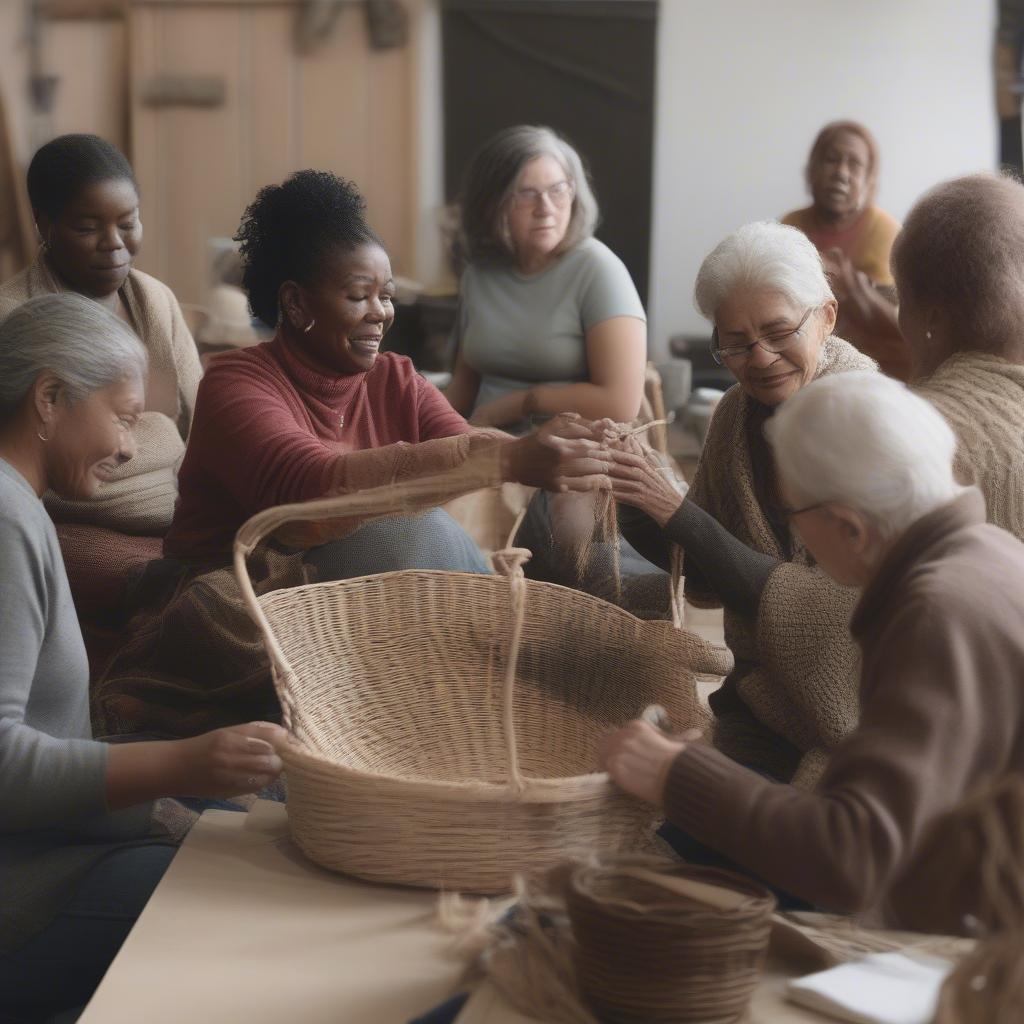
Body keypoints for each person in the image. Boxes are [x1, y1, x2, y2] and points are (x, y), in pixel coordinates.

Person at [94, 170, 610, 739]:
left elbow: (464, 447)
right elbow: (308, 491)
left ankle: (500, 685)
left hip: (336, 615)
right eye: (358, 295)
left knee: (489, 542)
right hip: (233, 610)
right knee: (411, 536)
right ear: (295, 301)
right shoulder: (237, 383)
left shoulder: (396, 377)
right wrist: (508, 459)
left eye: (386, 296)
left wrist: (558, 454)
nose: (380, 313)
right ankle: (504, 690)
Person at [602, 371, 1024, 924]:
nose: (795, 535)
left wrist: (677, 776)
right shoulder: (991, 552)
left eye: (793, 514)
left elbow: (854, 861)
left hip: (973, 935)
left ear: (850, 528)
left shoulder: (933, 613)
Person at [0, 293, 285, 1019]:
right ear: (50, 397)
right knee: (238, 879)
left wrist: (175, 795)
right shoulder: (5, 523)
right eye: (123, 417)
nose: (130, 447)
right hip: (19, 888)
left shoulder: (21, 509)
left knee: (241, 818)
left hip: (40, 838)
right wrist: (188, 765)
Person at [602, 221, 876, 788]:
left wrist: (676, 509)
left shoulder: (865, 418)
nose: (760, 358)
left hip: (859, 707)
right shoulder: (735, 413)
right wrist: (629, 491)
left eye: (778, 332)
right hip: (762, 695)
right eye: (735, 343)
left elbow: (820, 612)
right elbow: (707, 572)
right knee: (674, 823)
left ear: (826, 317)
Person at [0, 133, 203, 620]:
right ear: (45, 225)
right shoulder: (14, 318)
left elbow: (205, 425)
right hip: (69, 525)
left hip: (180, 518)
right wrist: (155, 432)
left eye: (128, 222)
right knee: (191, 600)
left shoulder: (156, 302)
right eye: (87, 227)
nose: (114, 244)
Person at [445, 124, 647, 434]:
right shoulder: (479, 274)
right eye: (526, 194)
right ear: (490, 203)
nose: (546, 209)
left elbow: (620, 403)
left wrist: (522, 403)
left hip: (566, 449)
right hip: (480, 441)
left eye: (558, 189)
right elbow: (463, 387)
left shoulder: (598, 269)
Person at [894, 172, 1024, 542]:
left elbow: (854, 596)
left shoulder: (915, 432)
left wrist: (716, 546)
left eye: (900, 299)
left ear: (932, 319)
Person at [782, 122, 908, 380]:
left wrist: (853, 288)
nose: (841, 173)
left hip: (877, 375)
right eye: (831, 160)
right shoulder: (790, 226)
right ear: (812, 170)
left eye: (854, 164)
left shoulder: (887, 233)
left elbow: (903, 329)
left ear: (869, 180)